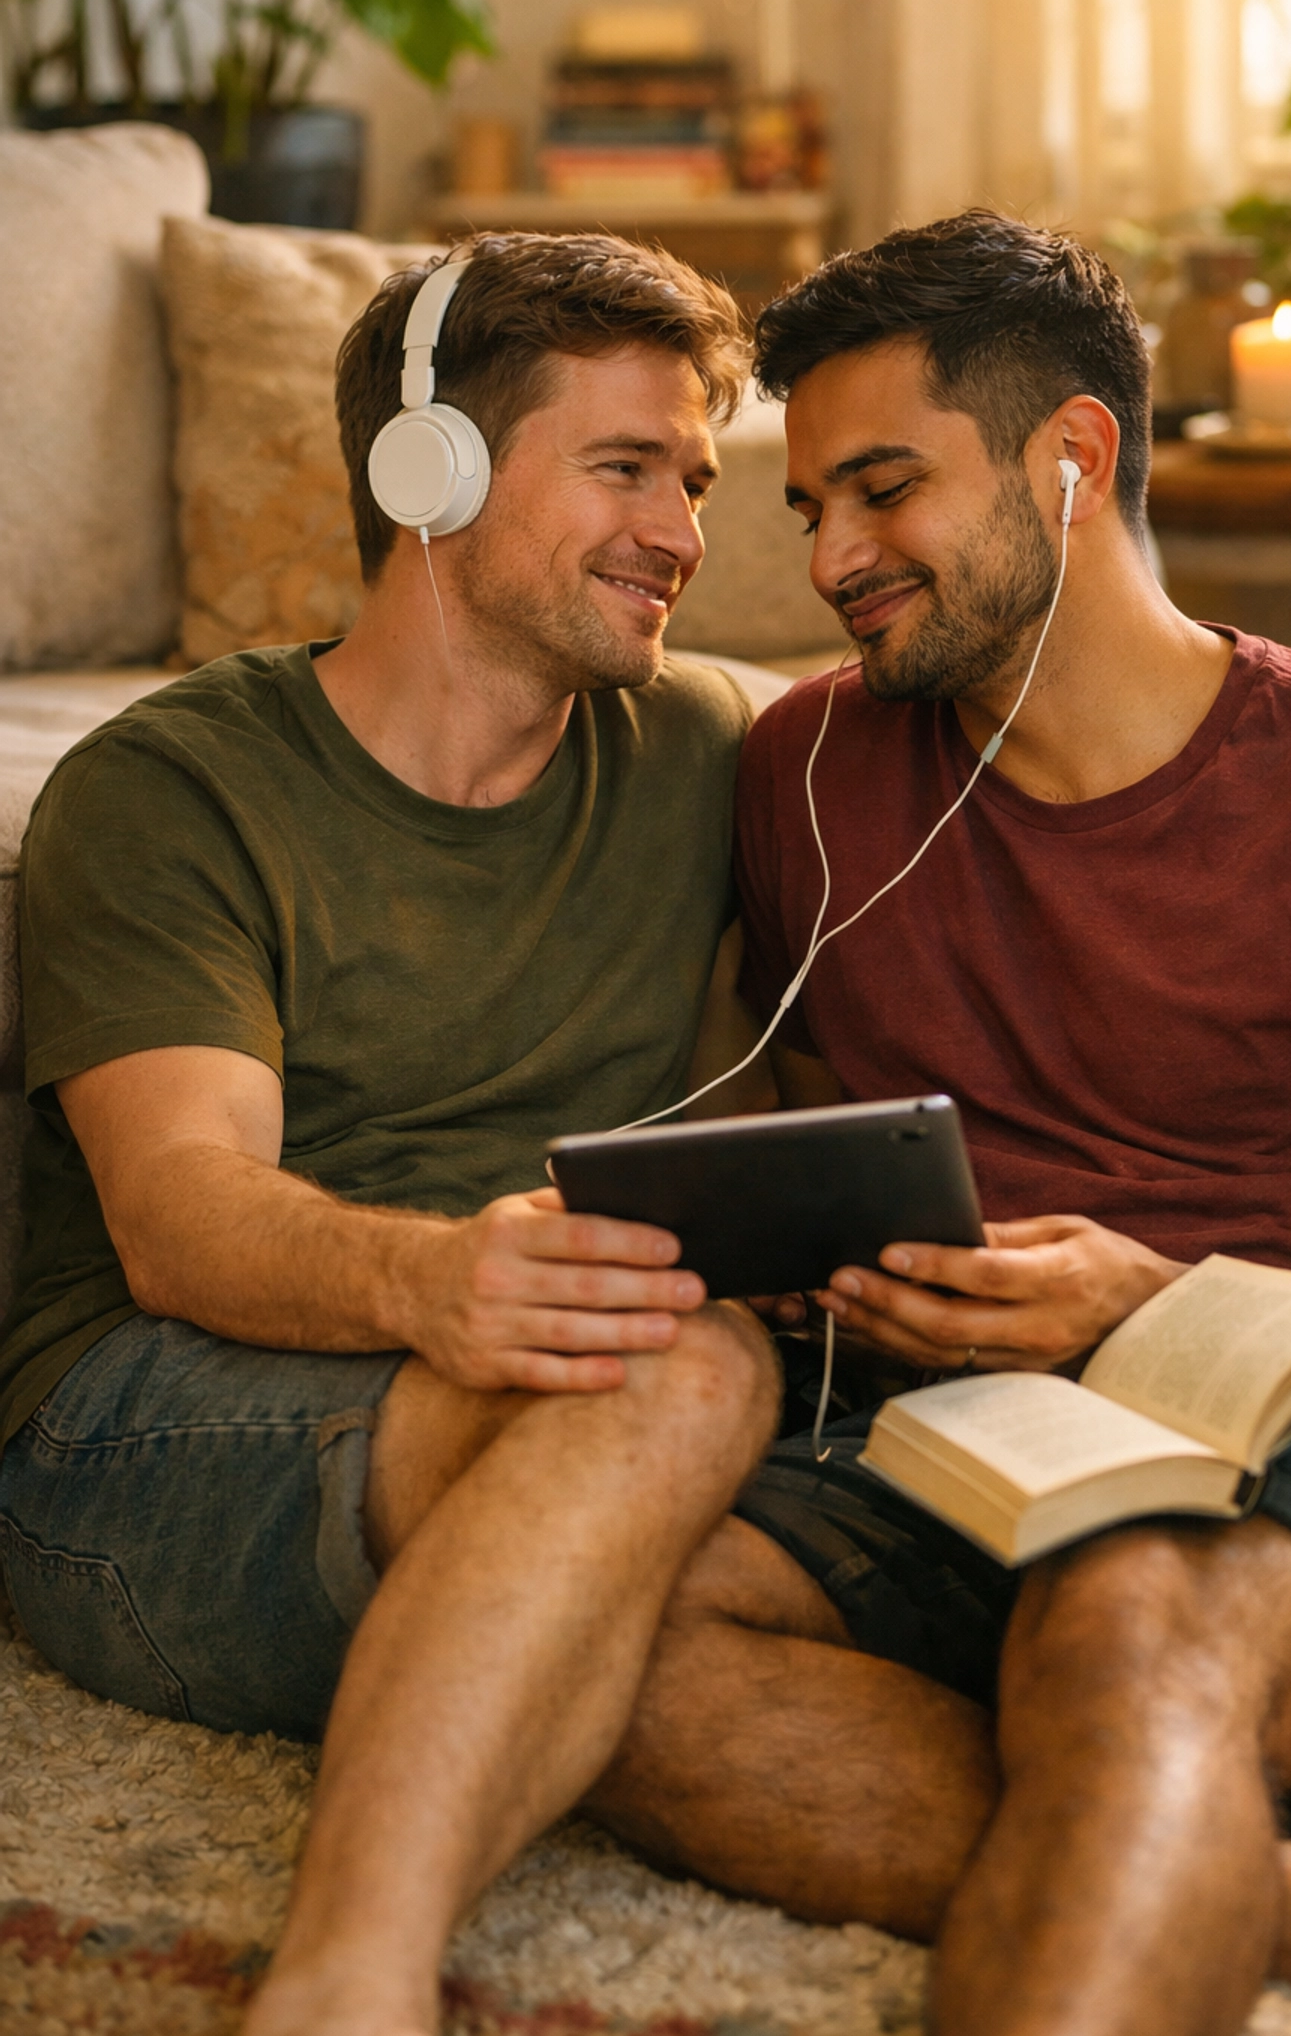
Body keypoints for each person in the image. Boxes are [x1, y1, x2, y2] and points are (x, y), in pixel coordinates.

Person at [586, 211, 1291, 2036]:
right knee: (592, 1647)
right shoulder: (804, 775)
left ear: (1073, 460)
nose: (834, 561)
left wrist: (1166, 1309)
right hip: (944, 1430)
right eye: (808, 510)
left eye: (884, 491)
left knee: (1124, 1625)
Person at [0, 229, 781, 2036]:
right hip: (142, 1433)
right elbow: (182, 1216)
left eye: (697, 480)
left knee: (679, 1606)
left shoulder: (701, 749)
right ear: (424, 466)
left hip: (527, 1405)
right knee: (681, 1378)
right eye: (623, 468)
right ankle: (344, 1987)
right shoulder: (175, 785)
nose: (682, 532)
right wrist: (440, 1280)